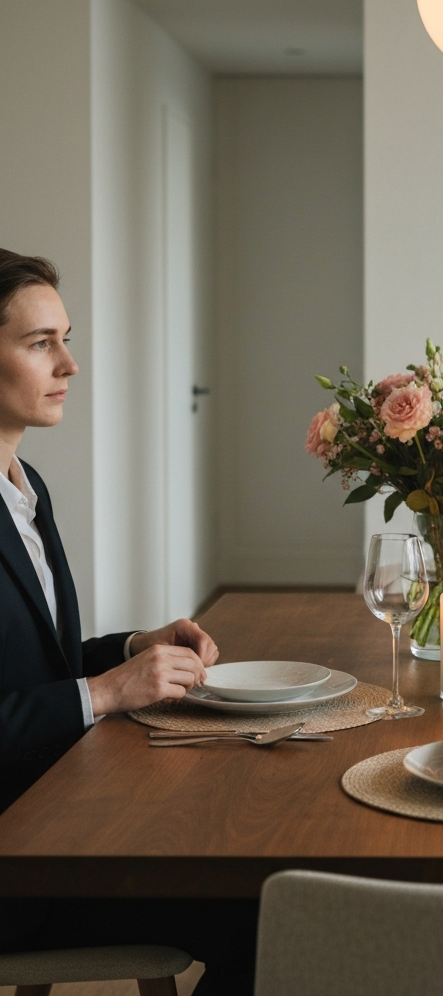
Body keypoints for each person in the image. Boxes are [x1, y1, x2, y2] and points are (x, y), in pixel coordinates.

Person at [0, 249, 257, 995]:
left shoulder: (25, 486)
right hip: (19, 868)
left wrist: (132, 648)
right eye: (39, 343)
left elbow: (29, 666)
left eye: (65, 337)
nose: (69, 365)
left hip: (51, 825)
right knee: (270, 910)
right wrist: (106, 694)